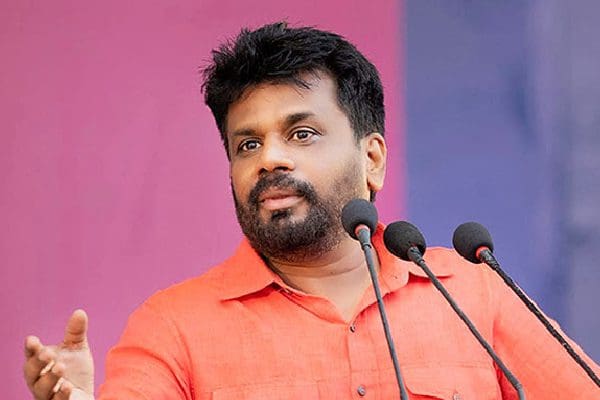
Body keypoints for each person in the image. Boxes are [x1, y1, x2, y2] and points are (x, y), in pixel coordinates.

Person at [23, 22, 599, 400]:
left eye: (301, 134)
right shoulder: (171, 326)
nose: (269, 158)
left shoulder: (470, 293)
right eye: (247, 144)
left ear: (372, 159)